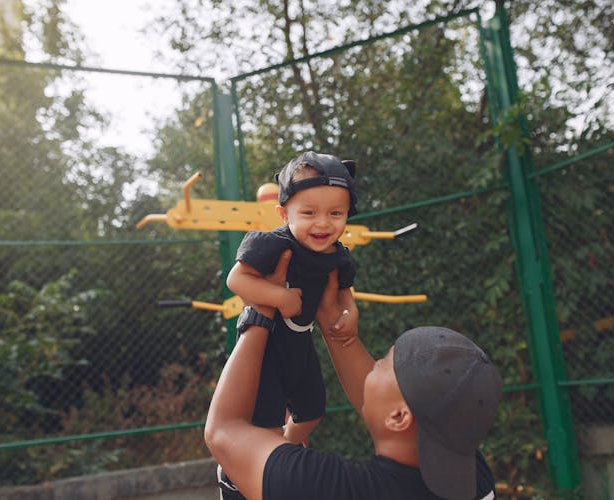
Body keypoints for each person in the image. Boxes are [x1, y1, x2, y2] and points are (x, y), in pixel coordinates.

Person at [205, 250, 503, 500]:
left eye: (383, 365)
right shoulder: (471, 481)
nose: (372, 367)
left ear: (399, 417)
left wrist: (259, 311)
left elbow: (224, 430)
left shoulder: (331, 488)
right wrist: (334, 326)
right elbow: (387, 401)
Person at [225, 151, 360, 447]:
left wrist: (351, 315)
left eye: (335, 213)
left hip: (300, 343)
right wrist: (279, 296)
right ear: (285, 215)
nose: (323, 224)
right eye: (309, 213)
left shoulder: (338, 256)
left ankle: (288, 448)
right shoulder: (271, 244)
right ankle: (260, 468)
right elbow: (236, 279)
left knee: (311, 411)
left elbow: (344, 293)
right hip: (265, 346)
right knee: (267, 421)